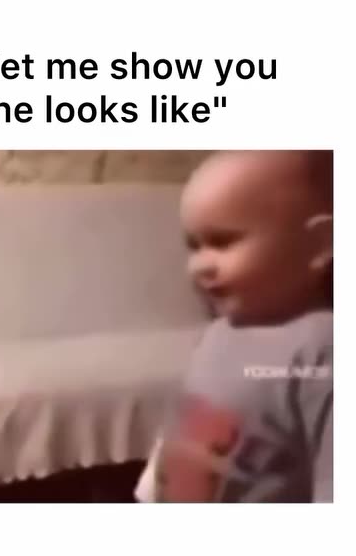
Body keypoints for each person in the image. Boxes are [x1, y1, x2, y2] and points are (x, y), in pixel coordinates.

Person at [136, 150, 333, 503]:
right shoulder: (219, 332)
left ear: (319, 244)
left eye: (222, 242)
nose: (199, 265)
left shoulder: (323, 349)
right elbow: (182, 426)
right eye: (194, 246)